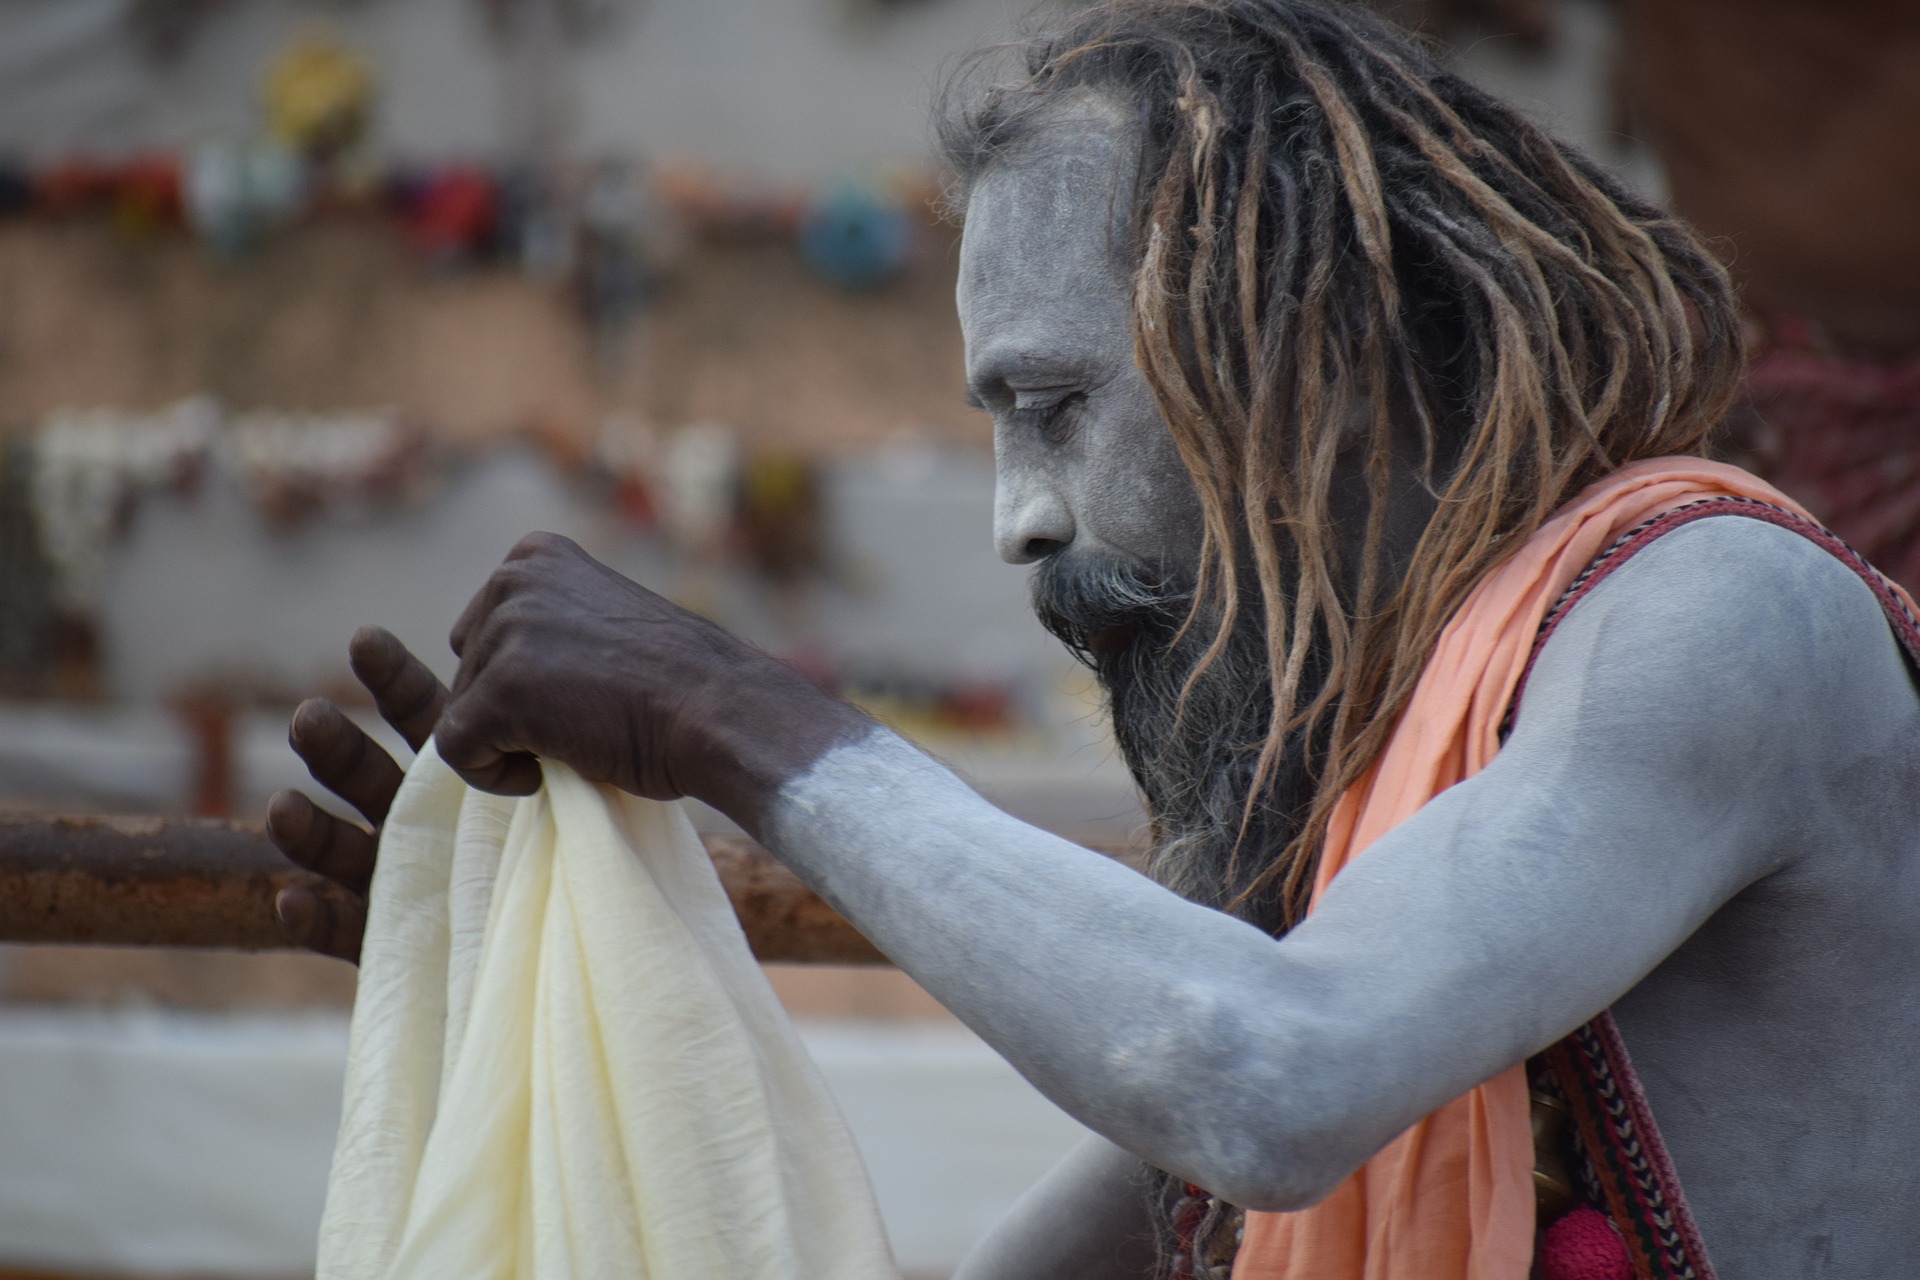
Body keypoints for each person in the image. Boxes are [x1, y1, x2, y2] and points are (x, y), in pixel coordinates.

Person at [266, 4, 1920, 1276]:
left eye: (1052, 408)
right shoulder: (1361, 802)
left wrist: (723, 710)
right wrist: (543, 981)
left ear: (1308, 352)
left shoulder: (1718, 610)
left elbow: (1268, 1076)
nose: (1018, 522)